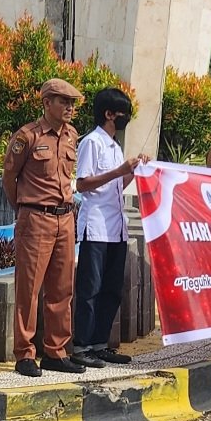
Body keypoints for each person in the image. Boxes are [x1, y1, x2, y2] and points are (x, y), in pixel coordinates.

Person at [2, 78, 84, 377]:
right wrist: (25, 209)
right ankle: (25, 353)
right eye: (64, 102)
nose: (70, 108)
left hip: (66, 218)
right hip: (36, 217)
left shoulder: (72, 135)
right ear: (47, 102)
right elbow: (9, 179)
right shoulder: (28, 136)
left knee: (62, 288)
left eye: (72, 103)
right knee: (29, 289)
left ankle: (56, 351)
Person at [71, 88, 148, 369]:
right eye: (123, 113)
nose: (127, 118)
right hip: (96, 226)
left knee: (112, 289)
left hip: (116, 227)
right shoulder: (92, 143)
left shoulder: (115, 146)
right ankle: (82, 345)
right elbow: (83, 183)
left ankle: (100, 343)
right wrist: (119, 171)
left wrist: (132, 171)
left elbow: (116, 185)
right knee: (90, 288)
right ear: (109, 114)